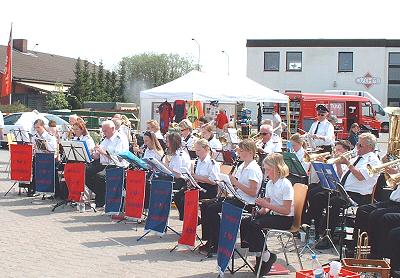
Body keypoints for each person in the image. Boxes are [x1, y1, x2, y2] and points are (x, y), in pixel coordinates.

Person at [314, 133, 381, 249]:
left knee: (334, 202)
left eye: (360, 145)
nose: (357, 148)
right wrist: (339, 164)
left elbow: (360, 176)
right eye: (357, 144)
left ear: (369, 147)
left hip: (359, 195)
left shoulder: (373, 161)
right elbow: (341, 177)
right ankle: (317, 230)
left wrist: (348, 163)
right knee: (319, 196)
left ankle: (328, 236)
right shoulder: (357, 158)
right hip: (344, 190)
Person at [199, 139, 263, 254]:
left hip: (246, 203)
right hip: (237, 197)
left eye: (241, 151)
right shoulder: (242, 165)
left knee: (212, 209)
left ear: (249, 152)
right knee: (205, 204)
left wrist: (236, 183)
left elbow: (253, 192)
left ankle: (217, 243)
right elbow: (237, 185)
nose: (238, 153)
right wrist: (227, 183)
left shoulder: (253, 169)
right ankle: (210, 239)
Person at [240, 153, 294, 276]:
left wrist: (267, 205)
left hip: (285, 219)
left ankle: (265, 256)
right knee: (246, 221)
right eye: (265, 169)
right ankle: (261, 254)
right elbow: (267, 206)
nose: (266, 172)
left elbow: (286, 210)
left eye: (268, 169)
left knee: (255, 225)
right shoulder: (270, 183)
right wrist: (260, 211)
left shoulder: (285, 184)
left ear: (277, 168)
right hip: (274, 215)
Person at [85, 120, 129, 208]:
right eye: (103, 131)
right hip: (103, 163)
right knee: (85, 172)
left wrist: (103, 152)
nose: (104, 133)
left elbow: (118, 158)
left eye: (105, 131)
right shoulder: (105, 139)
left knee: (99, 177)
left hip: (116, 165)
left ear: (113, 129)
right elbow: (97, 156)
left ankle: (100, 200)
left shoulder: (120, 139)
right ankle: (102, 195)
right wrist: (93, 153)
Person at [173, 139, 220, 220]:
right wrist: (190, 179)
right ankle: (189, 219)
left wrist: (197, 177)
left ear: (206, 149)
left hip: (208, 189)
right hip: (198, 186)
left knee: (185, 199)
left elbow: (214, 181)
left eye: (199, 150)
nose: (196, 153)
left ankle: (192, 220)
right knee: (177, 196)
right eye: (196, 150)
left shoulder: (212, 163)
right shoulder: (197, 161)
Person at [28, 119, 58, 197]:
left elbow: (53, 149)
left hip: (49, 159)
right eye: (35, 128)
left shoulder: (49, 136)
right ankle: (35, 189)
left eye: (38, 127)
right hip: (39, 158)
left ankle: (51, 190)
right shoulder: (35, 137)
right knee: (34, 170)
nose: (37, 130)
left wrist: (46, 146)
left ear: (43, 126)